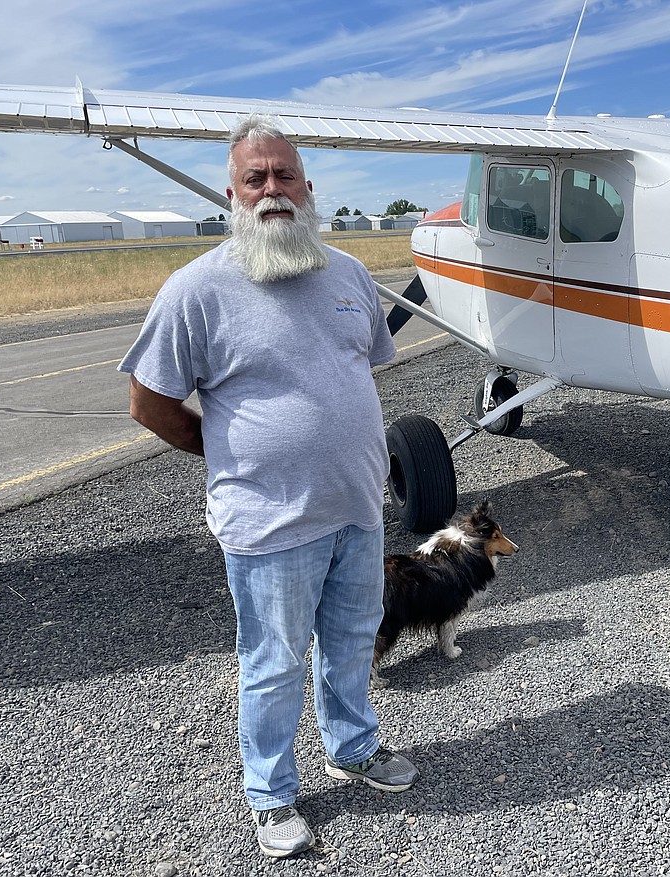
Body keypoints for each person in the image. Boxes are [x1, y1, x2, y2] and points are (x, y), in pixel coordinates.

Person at [118, 114, 417, 860]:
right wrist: (220, 450)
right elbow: (148, 403)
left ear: (308, 190)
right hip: (268, 522)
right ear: (233, 193)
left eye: (285, 175)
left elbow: (359, 369)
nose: (272, 189)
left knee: (350, 644)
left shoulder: (347, 273)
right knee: (274, 660)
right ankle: (271, 791)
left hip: (357, 507)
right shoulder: (196, 290)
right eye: (256, 178)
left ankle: (351, 747)